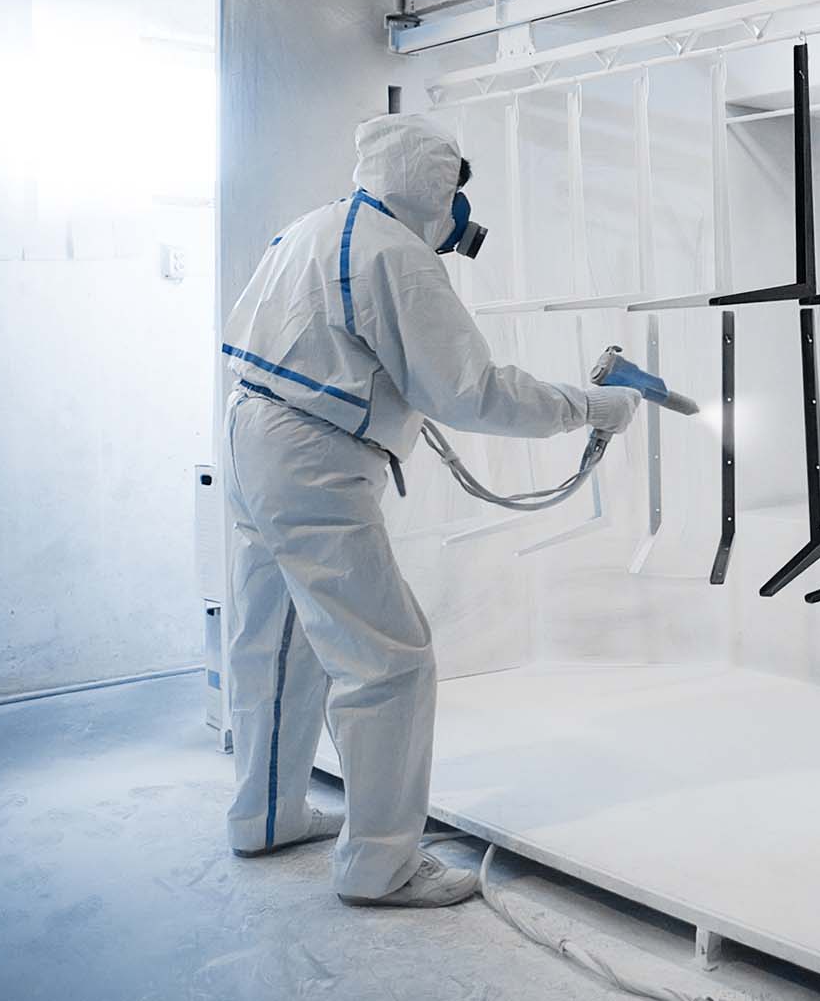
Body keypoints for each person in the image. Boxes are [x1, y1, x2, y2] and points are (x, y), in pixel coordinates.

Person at [217, 112, 639, 907]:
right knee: (389, 660)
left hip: (252, 435)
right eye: (453, 191)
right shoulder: (399, 258)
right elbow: (471, 392)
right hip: (314, 457)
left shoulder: (313, 228)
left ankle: (262, 818)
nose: (457, 215)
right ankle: (381, 865)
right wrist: (591, 406)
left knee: (273, 642)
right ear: (432, 186)